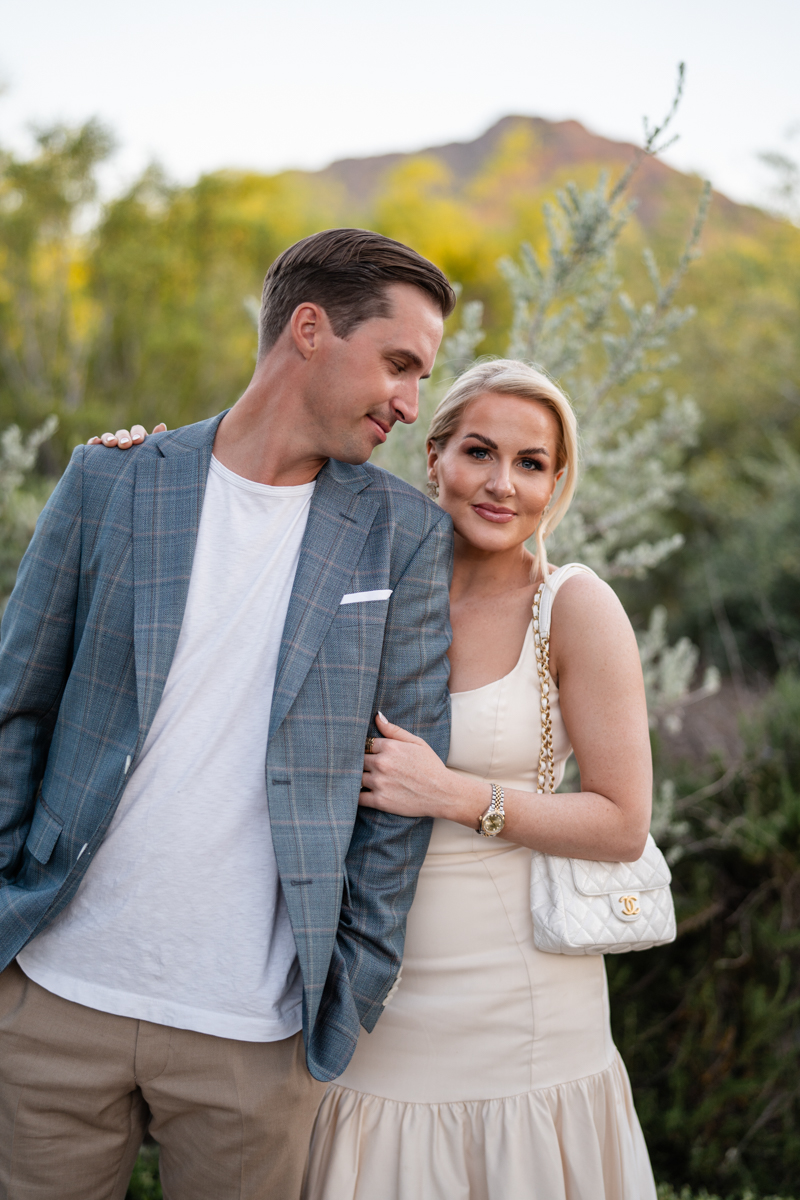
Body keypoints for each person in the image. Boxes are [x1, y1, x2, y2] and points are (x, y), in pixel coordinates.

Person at [0, 228, 457, 1200]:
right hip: (51, 1003)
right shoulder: (112, 480)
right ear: (308, 330)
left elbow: (402, 783)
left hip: (257, 1036)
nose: (410, 405)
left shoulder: (403, 537)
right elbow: (15, 706)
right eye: (398, 364)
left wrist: (350, 992)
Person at [301, 359, 658, 1200]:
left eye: (531, 463)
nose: (502, 484)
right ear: (434, 458)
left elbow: (621, 823)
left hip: (520, 1005)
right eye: (478, 452)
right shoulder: (364, 584)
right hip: (368, 987)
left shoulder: (573, 606)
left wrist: (454, 795)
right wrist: (148, 456)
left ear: (555, 481)